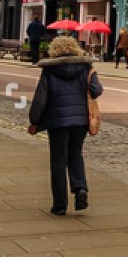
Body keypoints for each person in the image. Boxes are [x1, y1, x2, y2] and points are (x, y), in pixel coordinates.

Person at [27, 35, 103, 216]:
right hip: (80, 121)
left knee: (58, 161)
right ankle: (80, 189)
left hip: (58, 121)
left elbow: (40, 100)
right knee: (75, 154)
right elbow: (97, 90)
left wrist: (34, 121)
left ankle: (60, 205)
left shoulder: (49, 71)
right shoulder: (87, 68)